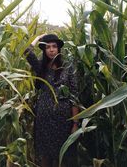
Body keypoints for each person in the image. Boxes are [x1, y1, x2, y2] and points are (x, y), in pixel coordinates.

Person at [24, 33, 79, 167]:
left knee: (64, 155)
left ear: (58, 49)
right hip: (44, 119)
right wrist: (38, 38)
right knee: (45, 155)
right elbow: (26, 52)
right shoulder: (41, 68)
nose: (51, 49)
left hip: (64, 120)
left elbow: (74, 95)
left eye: (54, 46)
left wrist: (75, 123)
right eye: (47, 47)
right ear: (44, 50)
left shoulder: (68, 67)